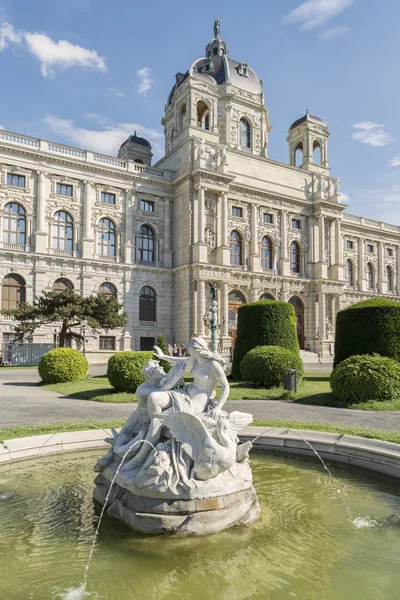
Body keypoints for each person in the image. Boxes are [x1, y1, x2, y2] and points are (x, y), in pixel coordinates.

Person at [120, 337, 229, 473]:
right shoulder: (195, 360)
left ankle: (140, 457)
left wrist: (218, 407)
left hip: (197, 401)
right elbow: (178, 361)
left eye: (189, 348)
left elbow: (225, 386)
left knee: (157, 421)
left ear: (197, 349)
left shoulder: (213, 365)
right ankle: (157, 432)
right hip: (185, 393)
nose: (187, 351)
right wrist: (162, 356)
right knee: (154, 397)